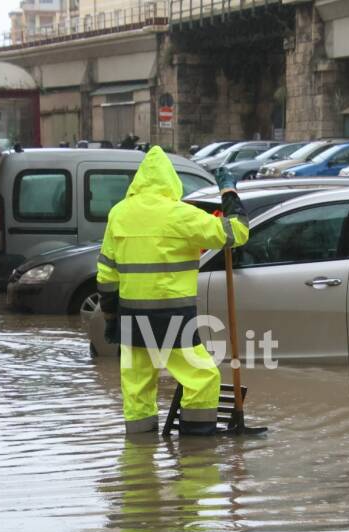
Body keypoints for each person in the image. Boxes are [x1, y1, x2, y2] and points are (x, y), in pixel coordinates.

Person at [97, 146, 250, 436]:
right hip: (171, 316)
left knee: (137, 387)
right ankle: (196, 450)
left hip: (131, 315)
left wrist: (109, 318)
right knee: (202, 378)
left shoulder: (118, 214)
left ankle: (138, 461)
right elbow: (237, 232)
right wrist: (229, 192)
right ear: (171, 181)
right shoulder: (180, 214)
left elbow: (106, 273)